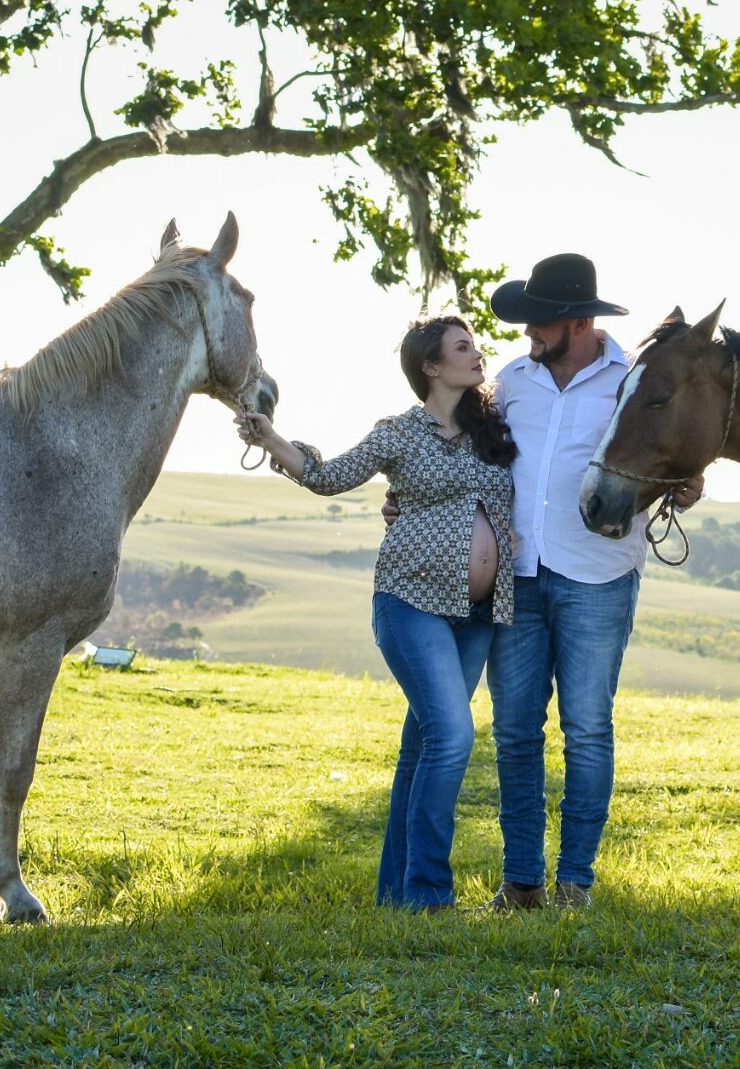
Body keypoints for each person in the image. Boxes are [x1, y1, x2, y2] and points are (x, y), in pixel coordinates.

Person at [234, 316, 517, 911]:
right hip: (410, 602)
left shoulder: (492, 429)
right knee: (453, 735)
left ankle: (398, 894)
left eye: (475, 346)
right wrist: (270, 439)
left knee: (424, 746)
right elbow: (329, 476)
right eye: (462, 348)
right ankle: (430, 896)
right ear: (431, 368)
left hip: (477, 611)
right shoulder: (400, 433)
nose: (477, 354)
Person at [481, 253, 701, 910]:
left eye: (538, 325)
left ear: (574, 321)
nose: (528, 336)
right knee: (515, 730)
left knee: (587, 727)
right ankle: (521, 882)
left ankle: (575, 882)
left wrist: (686, 489)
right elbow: (473, 456)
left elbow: (672, 464)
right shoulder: (513, 381)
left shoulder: (629, 381)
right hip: (517, 576)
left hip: (598, 575)